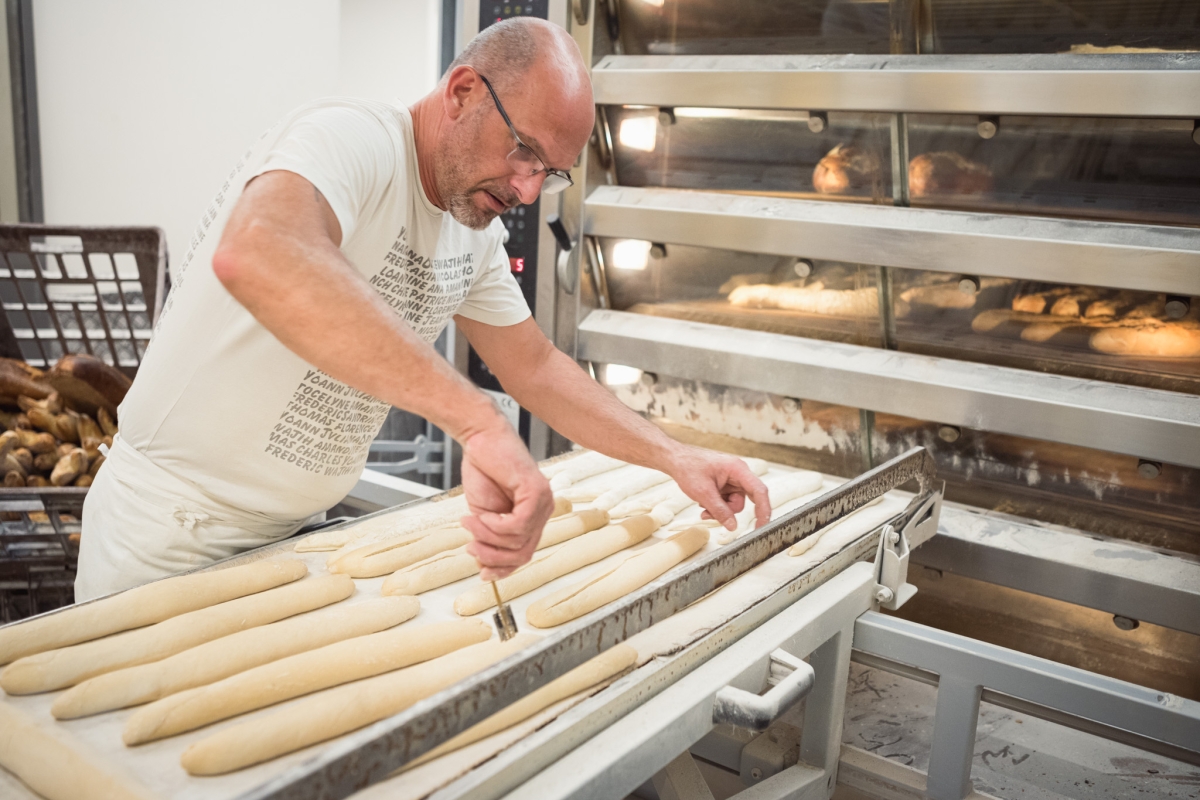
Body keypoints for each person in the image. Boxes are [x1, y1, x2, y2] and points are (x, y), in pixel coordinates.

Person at [75, 17, 770, 601]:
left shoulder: (473, 236)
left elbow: (534, 368)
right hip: (168, 537)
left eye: (548, 172)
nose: (528, 190)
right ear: (463, 92)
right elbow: (259, 250)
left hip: (295, 543)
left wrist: (676, 458)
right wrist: (476, 425)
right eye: (522, 151)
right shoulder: (351, 138)